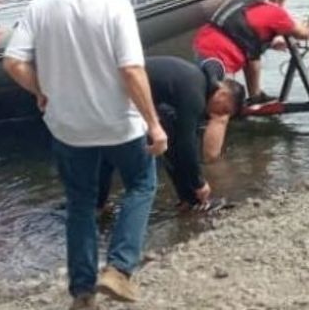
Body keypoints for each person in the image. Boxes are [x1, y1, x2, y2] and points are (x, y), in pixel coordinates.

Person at [3, 0, 168, 310]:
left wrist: (40, 90)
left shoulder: (40, 7)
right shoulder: (115, 5)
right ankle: (120, 269)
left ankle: (82, 292)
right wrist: (154, 123)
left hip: (67, 126)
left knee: (79, 203)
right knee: (141, 184)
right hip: (118, 124)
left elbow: (12, 62)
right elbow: (131, 69)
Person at [97, 55, 246, 212]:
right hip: (120, 93)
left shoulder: (200, 80)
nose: (218, 115)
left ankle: (189, 199)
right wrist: (199, 182)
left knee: (169, 135)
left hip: (118, 88)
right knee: (116, 153)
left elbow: (212, 64)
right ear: (222, 95)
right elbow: (187, 144)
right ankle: (192, 197)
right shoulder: (195, 96)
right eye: (224, 110)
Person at [193, 0, 309, 105]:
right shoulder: (275, 11)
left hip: (203, 41)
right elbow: (303, 34)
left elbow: (244, 30)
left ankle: (256, 96)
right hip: (220, 55)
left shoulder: (243, 0)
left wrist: (271, 43)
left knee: (254, 53)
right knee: (222, 105)